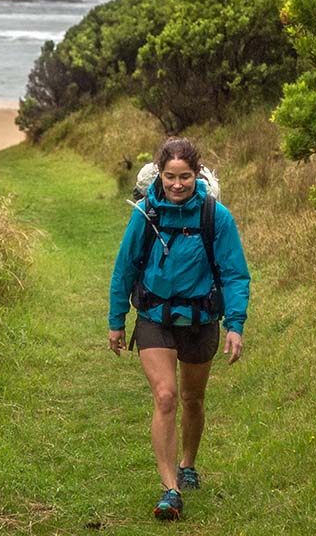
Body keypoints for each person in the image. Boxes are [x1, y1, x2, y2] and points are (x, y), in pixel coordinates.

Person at [107, 136, 250, 521]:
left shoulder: (216, 216)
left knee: (192, 399)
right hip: (154, 318)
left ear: (196, 174)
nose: (176, 184)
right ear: (160, 175)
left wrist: (235, 324)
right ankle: (170, 489)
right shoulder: (145, 214)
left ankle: (188, 463)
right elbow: (124, 269)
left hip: (200, 321)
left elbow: (235, 274)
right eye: (170, 176)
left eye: (184, 176)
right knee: (166, 396)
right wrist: (116, 321)